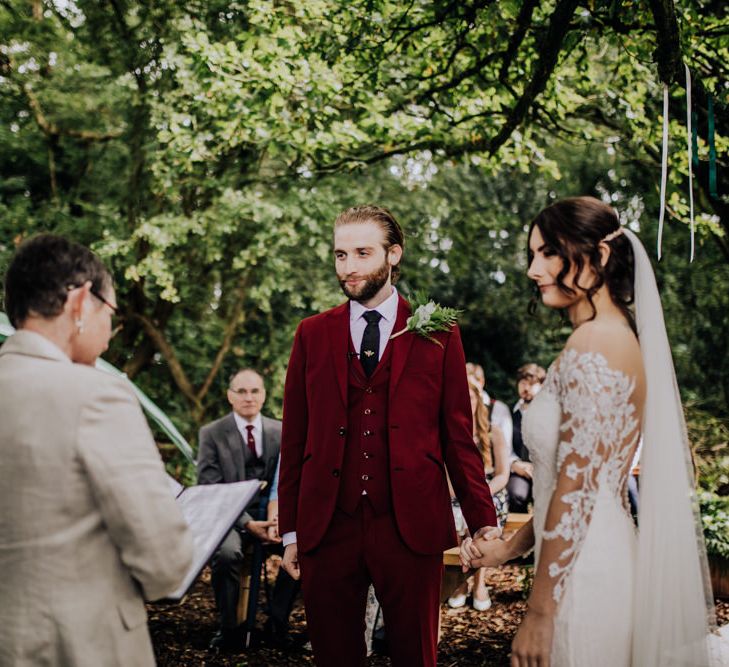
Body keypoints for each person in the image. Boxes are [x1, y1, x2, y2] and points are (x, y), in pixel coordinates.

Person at [462, 197, 717, 666]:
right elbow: (570, 489)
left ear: (598, 257)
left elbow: (576, 491)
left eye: (549, 253)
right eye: (532, 255)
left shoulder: (595, 344)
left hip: (582, 577)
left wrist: (539, 612)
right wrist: (506, 549)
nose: (533, 269)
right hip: (590, 553)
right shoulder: (612, 337)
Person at [278, 204, 498, 667]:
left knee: (415, 655)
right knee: (335, 656)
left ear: (393, 255)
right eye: (340, 255)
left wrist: (482, 518)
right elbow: (295, 439)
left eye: (362, 253)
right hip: (327, 524)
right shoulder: (311, 334)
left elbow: (458, 436)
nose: (349, 267)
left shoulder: (439, 333)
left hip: (410, 523)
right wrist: (292, 531)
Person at [0, 234, 194, 667]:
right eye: (110, 313)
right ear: (80, 302)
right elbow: (165, 563)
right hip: (76, 646)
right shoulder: (96, 394)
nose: (110, 331)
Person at [196, 368, 281, 650]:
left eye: (255, 391)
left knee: (307, 547)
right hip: (230, 518)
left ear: (264, 395)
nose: (248, 397)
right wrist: (247, 524)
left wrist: (276, 519)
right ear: (230, 396)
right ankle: (229, 629)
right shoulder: (212, 434)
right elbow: (210, 488)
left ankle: (277, 625)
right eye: (241, 391)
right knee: (227, 553)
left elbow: (289, 481)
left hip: (271, 515)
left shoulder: (281, 431)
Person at [448, 379, 510, 612]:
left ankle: (479, 582)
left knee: (482, 515)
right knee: (454, 512)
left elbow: (503, 475)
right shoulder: (447, 432)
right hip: (456, 494)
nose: (466, 401)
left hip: (491, 491)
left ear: (478, 401)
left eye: (471, 397)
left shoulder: (493, 433)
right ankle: (460, 582)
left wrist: (479, 493)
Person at [506, 363, 546, 513]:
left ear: (541, 386)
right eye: (523, 383)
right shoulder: (509, 414)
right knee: (516, 495)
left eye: (531, 384)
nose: (526, 388)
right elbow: (504, 447)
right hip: (519, 469)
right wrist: (515, 464)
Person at [467, 361, 513, 452]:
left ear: (482, 382)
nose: (468, 388)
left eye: (471, 385)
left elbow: (507, 449)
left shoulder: (499, 409)